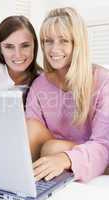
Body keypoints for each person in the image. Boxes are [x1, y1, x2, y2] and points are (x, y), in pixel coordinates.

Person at [25, 7, 109, 182]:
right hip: (51, 152)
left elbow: (103, 144)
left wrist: (66, 158)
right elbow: (31, 134)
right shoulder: (39, 85)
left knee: (52, 148)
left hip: (93, 154)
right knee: (30, 128)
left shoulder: (102, 80)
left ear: (77, 44)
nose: (54, 49)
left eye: (63, 40)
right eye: (48, 41)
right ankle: (26, 183)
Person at [0, 15, 42, 104]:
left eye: (25, 46)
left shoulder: (41, 79)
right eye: (9, 47)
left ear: (34, 46)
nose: (18, 55)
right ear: (0, 49)